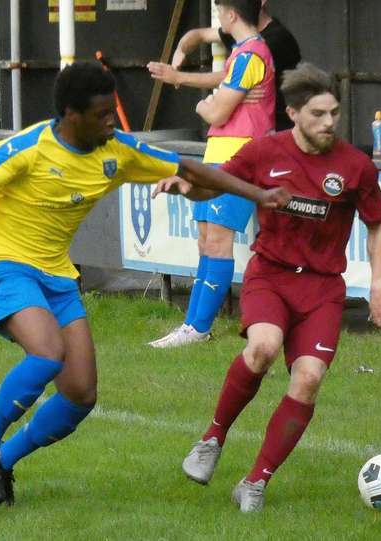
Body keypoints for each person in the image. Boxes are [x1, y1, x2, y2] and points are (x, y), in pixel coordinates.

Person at [0, 62, 291, 506]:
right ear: (70, 114)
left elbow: (192, 170)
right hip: (2, 263)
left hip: (57, 274)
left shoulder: (116, 150)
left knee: (80, 395)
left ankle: (3, 461)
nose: (111, 120)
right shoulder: (30, 147)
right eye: (102, 114)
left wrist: (258, 195)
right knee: (47, 354)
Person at [154, 63, 381, 512]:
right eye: (318, 114)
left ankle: (254, 482)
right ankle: (212, 438)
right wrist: (183, 187)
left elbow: (377, 226)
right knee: (263, 348)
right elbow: (213, 184)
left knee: (308, 379)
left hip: (323, 289)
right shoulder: (264, 152)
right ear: (293, 113)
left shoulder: (355, 166)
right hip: (271, 275)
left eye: (333, 113)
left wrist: (379, 287)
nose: (329, 123)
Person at [147, 0, 276, 349]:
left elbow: (218, 110)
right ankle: (193, 325)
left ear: (232, 14)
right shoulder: (243, 52)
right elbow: (222, 83)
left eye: (220, 11)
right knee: (206, 239)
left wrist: (204, 105)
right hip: (219, 154)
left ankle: (197, 328)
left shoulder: (252, 55)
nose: (218, 17)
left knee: (217, 241)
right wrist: (180, 78)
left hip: (240, 157)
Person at [148, 0, 300, 130]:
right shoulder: (241, 35)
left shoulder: (272, 42)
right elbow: (200, 34)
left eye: (220, 10)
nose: (219, 16)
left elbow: (219, 105)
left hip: (275, 128)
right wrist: (181, 49)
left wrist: (179, 78)